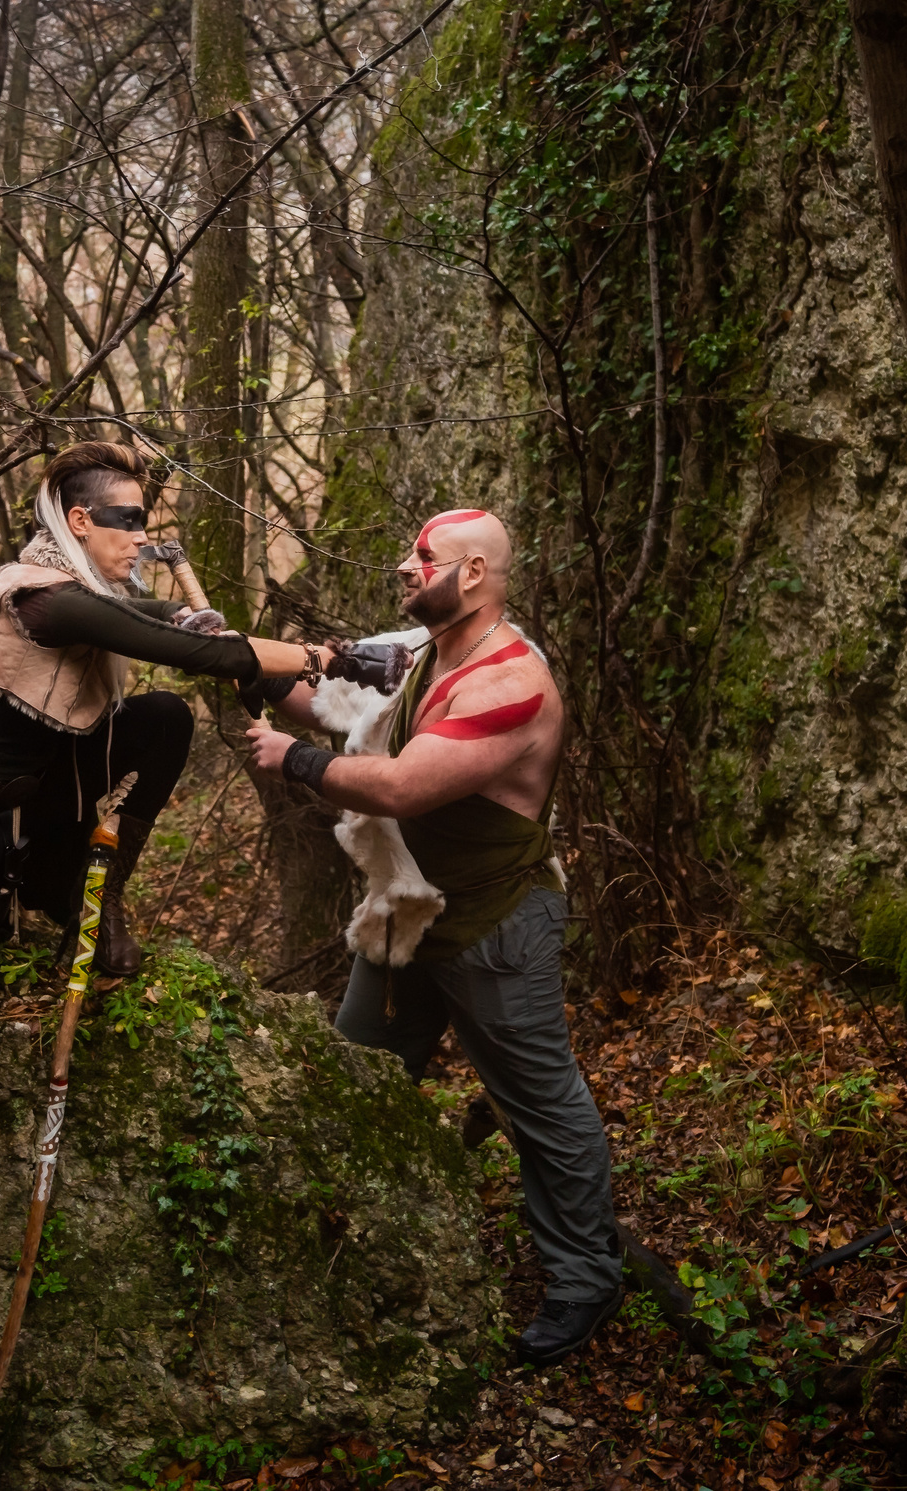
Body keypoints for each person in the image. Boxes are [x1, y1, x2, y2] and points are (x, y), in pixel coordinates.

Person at [0, 440, 399, 1032]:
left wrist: (183, 616)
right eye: (126, 521)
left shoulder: (87, 591)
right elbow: (186, 650)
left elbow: (154, 618)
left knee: (164, 719)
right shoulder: (42, 595)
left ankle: (89, 897)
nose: (140, 537)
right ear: (79, 521)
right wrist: (330, 659)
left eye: (142, 522)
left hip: (30, 799)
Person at [243, 507, 623, 1366]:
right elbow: (331, 700)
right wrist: (236, 658)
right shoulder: (420, 652)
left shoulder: (508, 681)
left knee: (543, 1107)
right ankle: (336, 1244)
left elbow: (404, 787)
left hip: (496, 929)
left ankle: (585, 1279)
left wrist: (292, 759)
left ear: (477, 573)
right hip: (407, 916)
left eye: (424, 557)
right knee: (356, 1077)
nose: (406, 567)